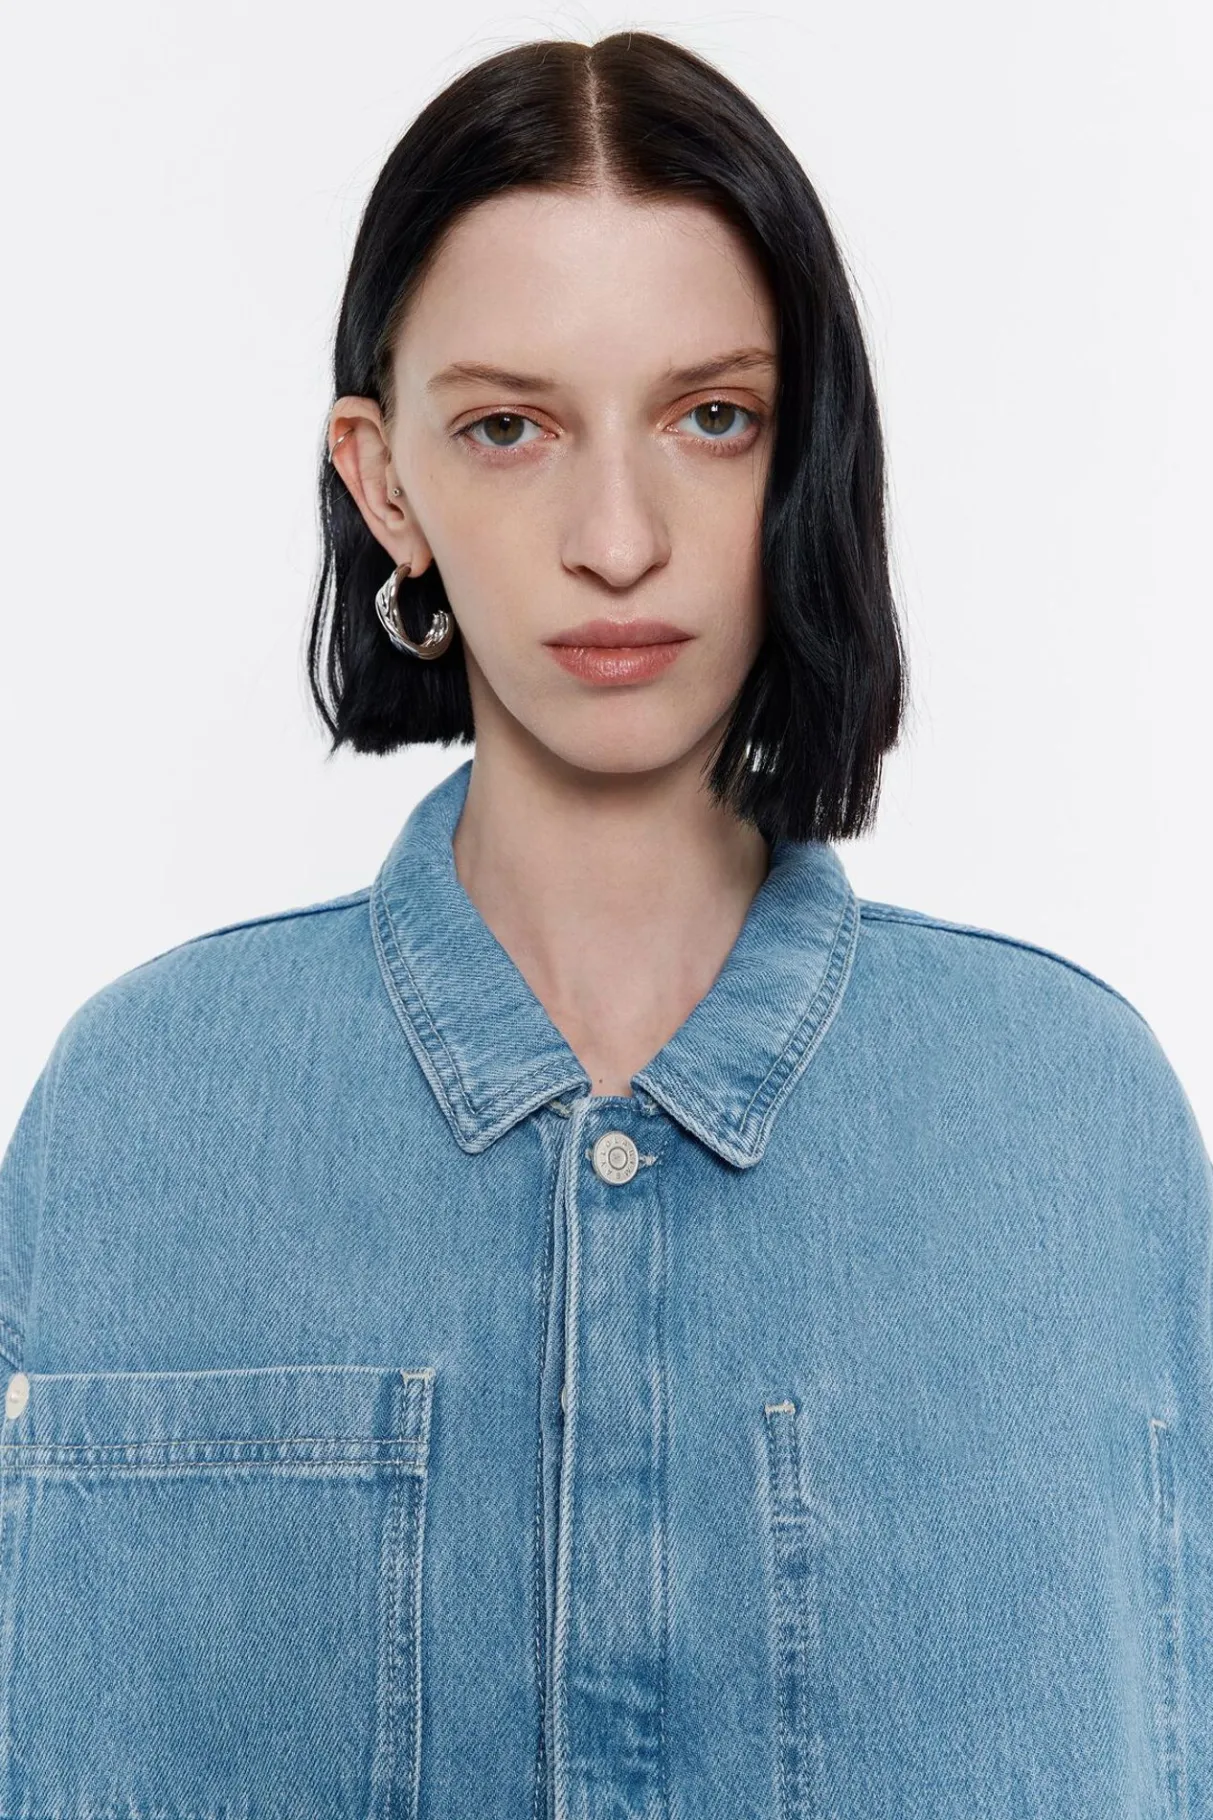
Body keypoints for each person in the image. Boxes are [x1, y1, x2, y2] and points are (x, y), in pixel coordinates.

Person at [0, 28, 1208, 1820]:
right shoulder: (137, 1119)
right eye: (510, 427)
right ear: (386, 483)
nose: (619, 538)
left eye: (712, 418)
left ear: (803, 455)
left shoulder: (1074, 1123)